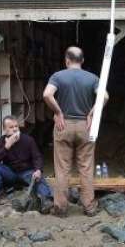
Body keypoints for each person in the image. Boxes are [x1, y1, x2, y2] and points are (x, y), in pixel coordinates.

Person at [42, 46, 105, 217]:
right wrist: (91, 113)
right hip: (85, 125)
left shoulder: (58, 76)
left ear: (67, 60)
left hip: (64, 125)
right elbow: (104, 96)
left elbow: (47, 95)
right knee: (86, 167)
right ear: (82, 60)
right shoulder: (92, 78)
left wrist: (58, 112)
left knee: (62, 168)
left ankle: (61, 208)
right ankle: (89, 207)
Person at [0, 115, 53, 211]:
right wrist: (7, 146)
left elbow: (37, 157)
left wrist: (38, 170)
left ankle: (46, 200)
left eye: (16, 126)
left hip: (26, 171)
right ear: (5, 129)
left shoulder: (28, 140)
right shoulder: (1, 141)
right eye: (11, 127)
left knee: (37, 176)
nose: (15, 129)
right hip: (10, 172)